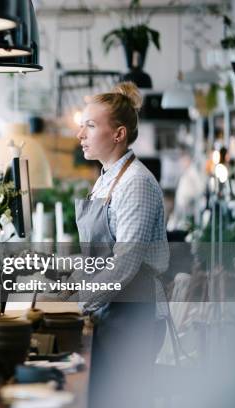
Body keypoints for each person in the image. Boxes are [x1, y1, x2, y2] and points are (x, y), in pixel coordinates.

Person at [61, 82, 169, 408]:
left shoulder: (135, 183)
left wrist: (79, 303)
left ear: (118, 134)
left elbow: (124, 264)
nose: (80, 134)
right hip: (112, 310)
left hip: (134, 317)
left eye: (90, 126)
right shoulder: (108, 176)